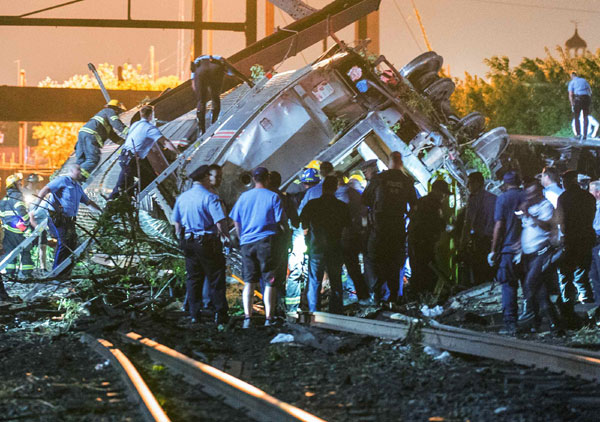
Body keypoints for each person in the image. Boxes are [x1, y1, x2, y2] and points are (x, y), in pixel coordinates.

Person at [173, 165, 229, 325]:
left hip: (188, 241)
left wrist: (180, 238)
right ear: (205, 177)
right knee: (216, 277)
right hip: (207, 241)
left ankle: (194, 314)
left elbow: (176, 222)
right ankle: (220, 313)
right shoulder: (210, 197)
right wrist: (225, 238)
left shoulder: (182, 198)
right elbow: (220, 221)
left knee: (193, 278)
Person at [229, 167, 283, 328]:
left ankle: (247, 318)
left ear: (253, 179)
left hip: (247, 243)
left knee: (249, 282)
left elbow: (235, 220)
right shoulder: (273, 196)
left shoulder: (244, 197)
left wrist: (241, 236)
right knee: (269, 281)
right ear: (267, 179)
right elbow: (280, 222)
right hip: (266, 242)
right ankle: (269, 318)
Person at [363, 152, 417, 304]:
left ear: (389, 162)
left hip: (379, 229)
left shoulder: (379, 179)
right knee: (396, 263)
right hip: (397, 229)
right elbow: (414, 206)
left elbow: (365, 200)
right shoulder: (407, 181)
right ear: (401, 163)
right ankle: (395, 297)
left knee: (375, 261)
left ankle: (379, 297)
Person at [31, 164, 102, 276]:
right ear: (72, 170)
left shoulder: (77, 187)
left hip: (69, 220)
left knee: (72, 243)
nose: (80, 172)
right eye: (78, 170)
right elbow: (45, 189)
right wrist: (35, 205)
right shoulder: (63, 180)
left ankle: (65, 272)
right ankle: (56, 273)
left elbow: (88, 202)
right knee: (64, 243)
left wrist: (101, 211)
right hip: (58, 218)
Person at [300, 176, 352, 313]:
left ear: (323, 187)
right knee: (336, 282)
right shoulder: (342, 207)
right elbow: (347, 229)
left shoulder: (312, 205)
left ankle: (314, 311)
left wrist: (308, 238)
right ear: (336, 188)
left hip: (316, 247)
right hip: (335, 248)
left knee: (314, 281)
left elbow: (303, 223)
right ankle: (336, 312)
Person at [108, 105, 178, 200]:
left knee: (122, 184)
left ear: (141, 114)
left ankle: (115, 201)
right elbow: (166, 142)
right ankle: (127, 198)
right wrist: (179, 153)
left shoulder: (135, 124)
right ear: (151, 115)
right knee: (149, 179)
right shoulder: (150, 128)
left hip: (124, 157)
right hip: (132, 160)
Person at [517, 182, 560, 332]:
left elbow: (547, 226)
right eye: (527, 194)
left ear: (539, 193)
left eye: (532, 194)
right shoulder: (529, 207)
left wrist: (529, 214)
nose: (529, 197)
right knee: (540, 291)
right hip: (529, 254)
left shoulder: (545, 206)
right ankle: (553, 324)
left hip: (541, 253)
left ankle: (530, 318)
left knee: (530, 284)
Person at [556, 170, 596, 327]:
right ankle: (589, 307)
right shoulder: (589, 197)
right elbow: (591, 217)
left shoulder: (563, 198)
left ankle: (568, 307)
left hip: (571, 240)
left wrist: (564, 235)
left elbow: (562, 223)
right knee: (583, 274)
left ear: (567, 182)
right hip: (587, 238)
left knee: (566, 274)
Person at [489, 171, 523, 335]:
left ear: (505, 183)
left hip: (508, 250)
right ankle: (535, 320)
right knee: (530, 286)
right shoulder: (527, 196)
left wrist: (493, 250)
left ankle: (511, 323)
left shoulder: (502, 199)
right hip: (528, 249)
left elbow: (499, 225)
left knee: (509, 286)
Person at [191, 55, 253, 135]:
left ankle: (201, 130)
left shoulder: (198, 61)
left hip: (200, 70)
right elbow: (236, 72)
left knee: (201, 101)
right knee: (215, 98)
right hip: (215, 69)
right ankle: (213, 124)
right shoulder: (223, 63)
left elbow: (193, 82)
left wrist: (199, 93)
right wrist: (249, 82)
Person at [285, 168, 319, 313]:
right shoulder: (316, 195)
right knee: (307, 271)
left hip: (299, 236)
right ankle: (304, 304)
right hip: (309, 236)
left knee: (296, 270)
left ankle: (293, 307)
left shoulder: (293, 196)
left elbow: (294, 219)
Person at [407, 180, 450, 296]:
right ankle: (427, 296)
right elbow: (437, 224)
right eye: (443, 193)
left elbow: (411, 216)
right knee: (428, 271)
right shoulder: (434, 204)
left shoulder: (421, 201)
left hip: (413, 240)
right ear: (436, 191)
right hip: (424, 242)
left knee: (417, 270)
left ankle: (417, 295)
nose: (444, 196)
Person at [334, 171, 369, 302]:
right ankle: (363, 295)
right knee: (354, 268)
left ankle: (345, 298)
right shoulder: (353, 192)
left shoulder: (340, 195)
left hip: (344, 236)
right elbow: (364, 212)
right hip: (355, 235)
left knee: (346, 267)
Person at [268, 171, 300, 313]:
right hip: (280, 240)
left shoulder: (261, 196)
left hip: (262, 241)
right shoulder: (284, 198)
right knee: (280, 274)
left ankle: (270, 308)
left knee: (266, 274)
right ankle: (279, 307)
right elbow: (295, 220)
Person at [459, 172, 497, 286]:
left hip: (481, 240)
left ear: (478, 183)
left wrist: (462, 244)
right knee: (491, 271)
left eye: (470, 183)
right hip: (494, 239)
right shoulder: (494, 198)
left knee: (479, 272)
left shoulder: (474, 199)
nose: (467, 186)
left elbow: (468, 222)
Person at [76, 99, 128, 180]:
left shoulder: (104, 120)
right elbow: (116, 123)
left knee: (81, 160)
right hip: (91, 135)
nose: (119, 114)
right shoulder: (109, 111)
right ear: (116, 109)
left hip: (83, 133)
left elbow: (114, 137)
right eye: (119, 112)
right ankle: (79, 178)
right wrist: (129, 132)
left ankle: (70, 176)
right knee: (92, 159)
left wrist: (125, 142)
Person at [0, 173, 34, 279]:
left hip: (7, 230)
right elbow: (21, 211)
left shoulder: (4, 199)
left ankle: (10, 273)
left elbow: (2, 216)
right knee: (25, 251)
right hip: (19, 230)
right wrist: (27, 222)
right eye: (19, 183)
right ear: (13, 185)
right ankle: (27, 274)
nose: (21, 185)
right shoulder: (18, 196)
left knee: (11, 252)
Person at [568, 71, 592, 140]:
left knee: (576, 117)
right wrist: (589, 99)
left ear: (572, 76)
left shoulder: (572, 82)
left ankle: (578, 134)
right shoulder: (584, 80)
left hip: (578, 100)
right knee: (585, 117)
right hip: (586, 99)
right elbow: (590, 91)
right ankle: (585, 135)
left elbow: (570, 94)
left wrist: (572, 104)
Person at [588, 180, 600, 304]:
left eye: (590, 190)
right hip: (593, 243)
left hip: (598, 243)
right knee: (594, 275)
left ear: (598, 193)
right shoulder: (593, 206)